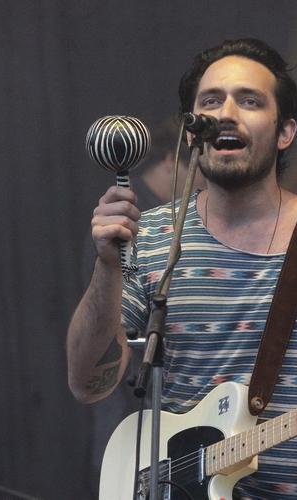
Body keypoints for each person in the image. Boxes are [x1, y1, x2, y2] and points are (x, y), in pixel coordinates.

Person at [67, 38, 297, 499]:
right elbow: (88, 383)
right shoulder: (148, 239)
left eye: (249, 101)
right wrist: (107, 266)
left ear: (285, 132)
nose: (225, 113)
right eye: (211, 101)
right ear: (191, 132)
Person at [80, 117, 206, 498]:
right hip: (129, 413)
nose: (201, 186)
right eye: (197, 174)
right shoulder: (131, 224)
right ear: (170, 161)